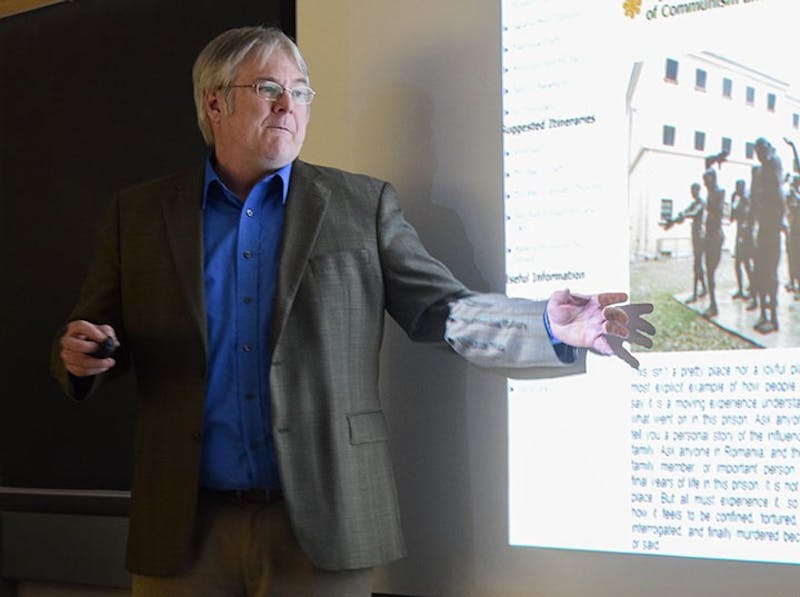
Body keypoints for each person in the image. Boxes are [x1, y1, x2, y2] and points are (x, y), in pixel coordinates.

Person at [50, 26, 654, 597]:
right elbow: (94, 331)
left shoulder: (360, 204)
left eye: (299, 91)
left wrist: (545, 324)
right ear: (214, 104)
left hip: (322, 515)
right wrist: (81, 355)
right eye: (267, 89)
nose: (288, 105)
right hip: (181, 525)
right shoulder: (141, 214)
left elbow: (440, 310)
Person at [750, 137, 784, 333]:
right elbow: (756, 198)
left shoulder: (773, 163)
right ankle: (764, 314)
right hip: (763, 226)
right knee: (760, 272)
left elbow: (778, 192)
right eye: (758, 152)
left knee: (770, 273)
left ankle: (773, 317)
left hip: (771, 226)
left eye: (762, 151)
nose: (760, 155)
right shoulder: (760, 170)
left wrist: (781, 221)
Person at [662, 182, 706, 302]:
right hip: (695, 235)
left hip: (701, 236)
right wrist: (672, 220)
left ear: (698, 190)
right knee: (698, 264)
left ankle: (696, 294)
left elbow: (694, 213)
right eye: (691, 190)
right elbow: (685, 212)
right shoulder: (694, 203)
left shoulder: (701, 203)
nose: (692, 193)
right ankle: (705, 289)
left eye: (694, 190)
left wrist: (684, 215)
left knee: (697, 264)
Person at [701, 167, 725, 317]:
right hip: (710, 235)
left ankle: (714, 305)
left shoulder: (719, 192)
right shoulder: (710, 192)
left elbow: (717, 214)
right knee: (709, 271)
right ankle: (712, 303)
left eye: (706, 180)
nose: (704, 183)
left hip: (714, 235)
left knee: (710, 270)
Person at [730, 178, 754, 300]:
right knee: (738, 263)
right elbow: (732, 217)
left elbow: (747, 219)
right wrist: (733, 203)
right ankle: (740, 289)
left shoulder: (747, 200)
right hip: (739, 234)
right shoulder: (737, 198)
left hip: (746, 236)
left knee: (746, 263)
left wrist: (743, 237)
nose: (737, 190)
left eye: (739, 188)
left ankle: (753, 288)